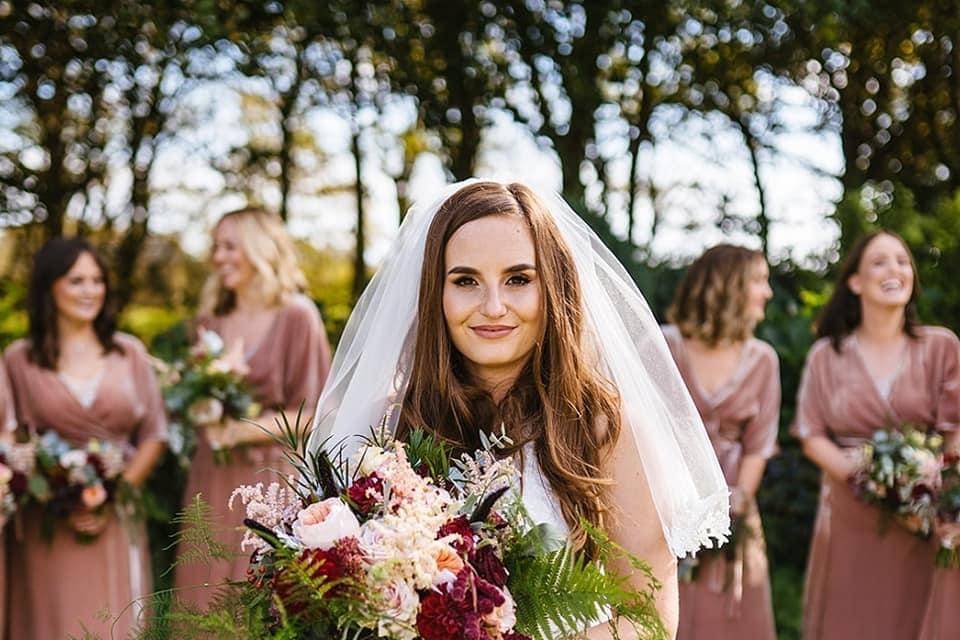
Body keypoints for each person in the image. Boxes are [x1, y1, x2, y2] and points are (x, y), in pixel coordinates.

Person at [309, 180, 731, 637]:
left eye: (518, 279)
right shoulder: (385, 426)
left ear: (553, 287)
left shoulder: (604, 428)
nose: (493, 306)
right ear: (436, 293)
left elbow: (651, 620)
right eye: (466, 281)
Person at [792, 230, 960, 639]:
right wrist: (868, 481)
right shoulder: (826, 356)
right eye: (880, 262)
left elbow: (956, 432)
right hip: (850, 516)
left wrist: (936, 492)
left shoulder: (941, 347)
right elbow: (811, 433)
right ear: (855, 282)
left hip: (924, 514)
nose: (895, 270)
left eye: (903, 261)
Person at [4, 237, 167, 639]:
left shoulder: (128, 352)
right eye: (76, 280)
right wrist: (45, 480)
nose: (90, 290)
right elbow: (8, 438)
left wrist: (115, 495)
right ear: (49, 286)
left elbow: (155, 434)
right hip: (46, 520)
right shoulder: (19, 359)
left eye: (97, 280)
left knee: (111, 619)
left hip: (116, 515)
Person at [174, 207, 332, 609]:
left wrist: (241, 430)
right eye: (215, 247)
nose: (218, 257)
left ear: (260, 248)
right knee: (203, 594)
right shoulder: (211, 320)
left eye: (230, 246)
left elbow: (312, 411)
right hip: (212, 473)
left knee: (259, 597)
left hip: (270, 478)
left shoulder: (298, 316)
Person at [663, 244, 779, 640]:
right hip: (664, 507)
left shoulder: (763, 360)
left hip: (735, 511)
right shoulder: (664, 345)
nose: (768, 292)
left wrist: (735, 504)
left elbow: (759, 443)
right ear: (728, 285)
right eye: (759, 281)